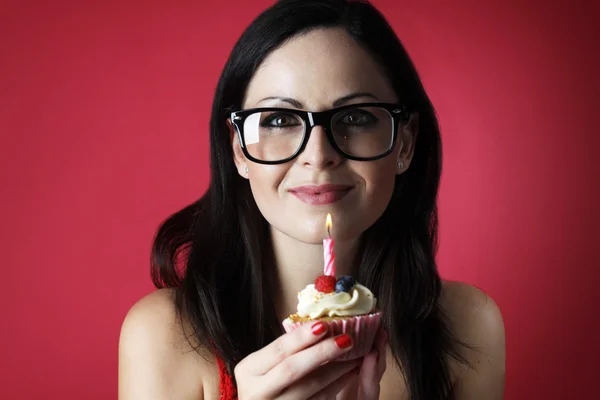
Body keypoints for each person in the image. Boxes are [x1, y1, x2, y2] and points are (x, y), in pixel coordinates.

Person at [118, 0, 505, 398]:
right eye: (279, 120)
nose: (318, 155)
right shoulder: (166, 336)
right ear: (238, 150)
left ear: (403, 142)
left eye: (355, 117)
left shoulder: (467, 327)